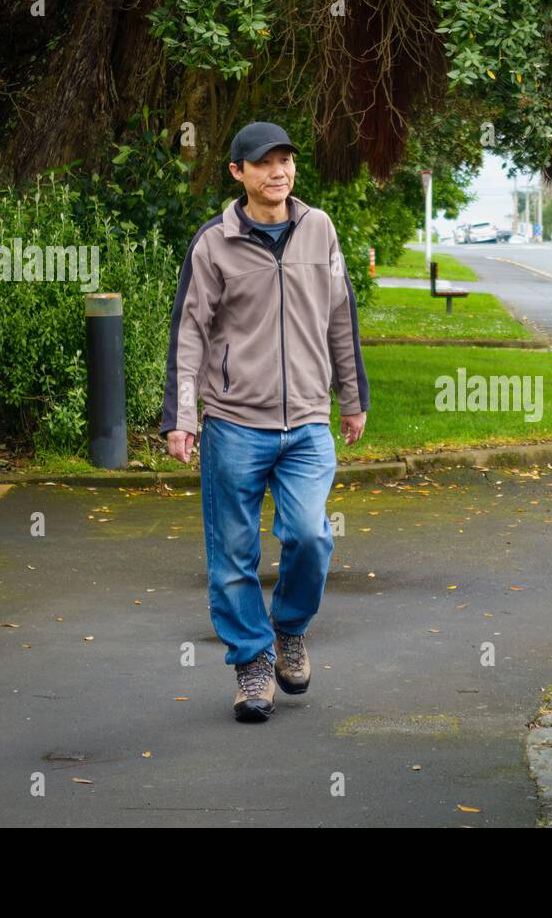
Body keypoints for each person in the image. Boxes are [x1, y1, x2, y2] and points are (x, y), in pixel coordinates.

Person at [160, 121, 370, 721]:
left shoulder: (319, 229)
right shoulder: (213, 244)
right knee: (232, 552)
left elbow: (340, 317)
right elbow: (189, 332)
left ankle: (290, 628)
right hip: (234, 422)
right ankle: (252, 663)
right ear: (238, 173)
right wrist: (182, 418)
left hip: (307, 420)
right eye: (264, 163)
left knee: (310, 535)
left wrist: (351, 398)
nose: (279, 172)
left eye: (286, 161)